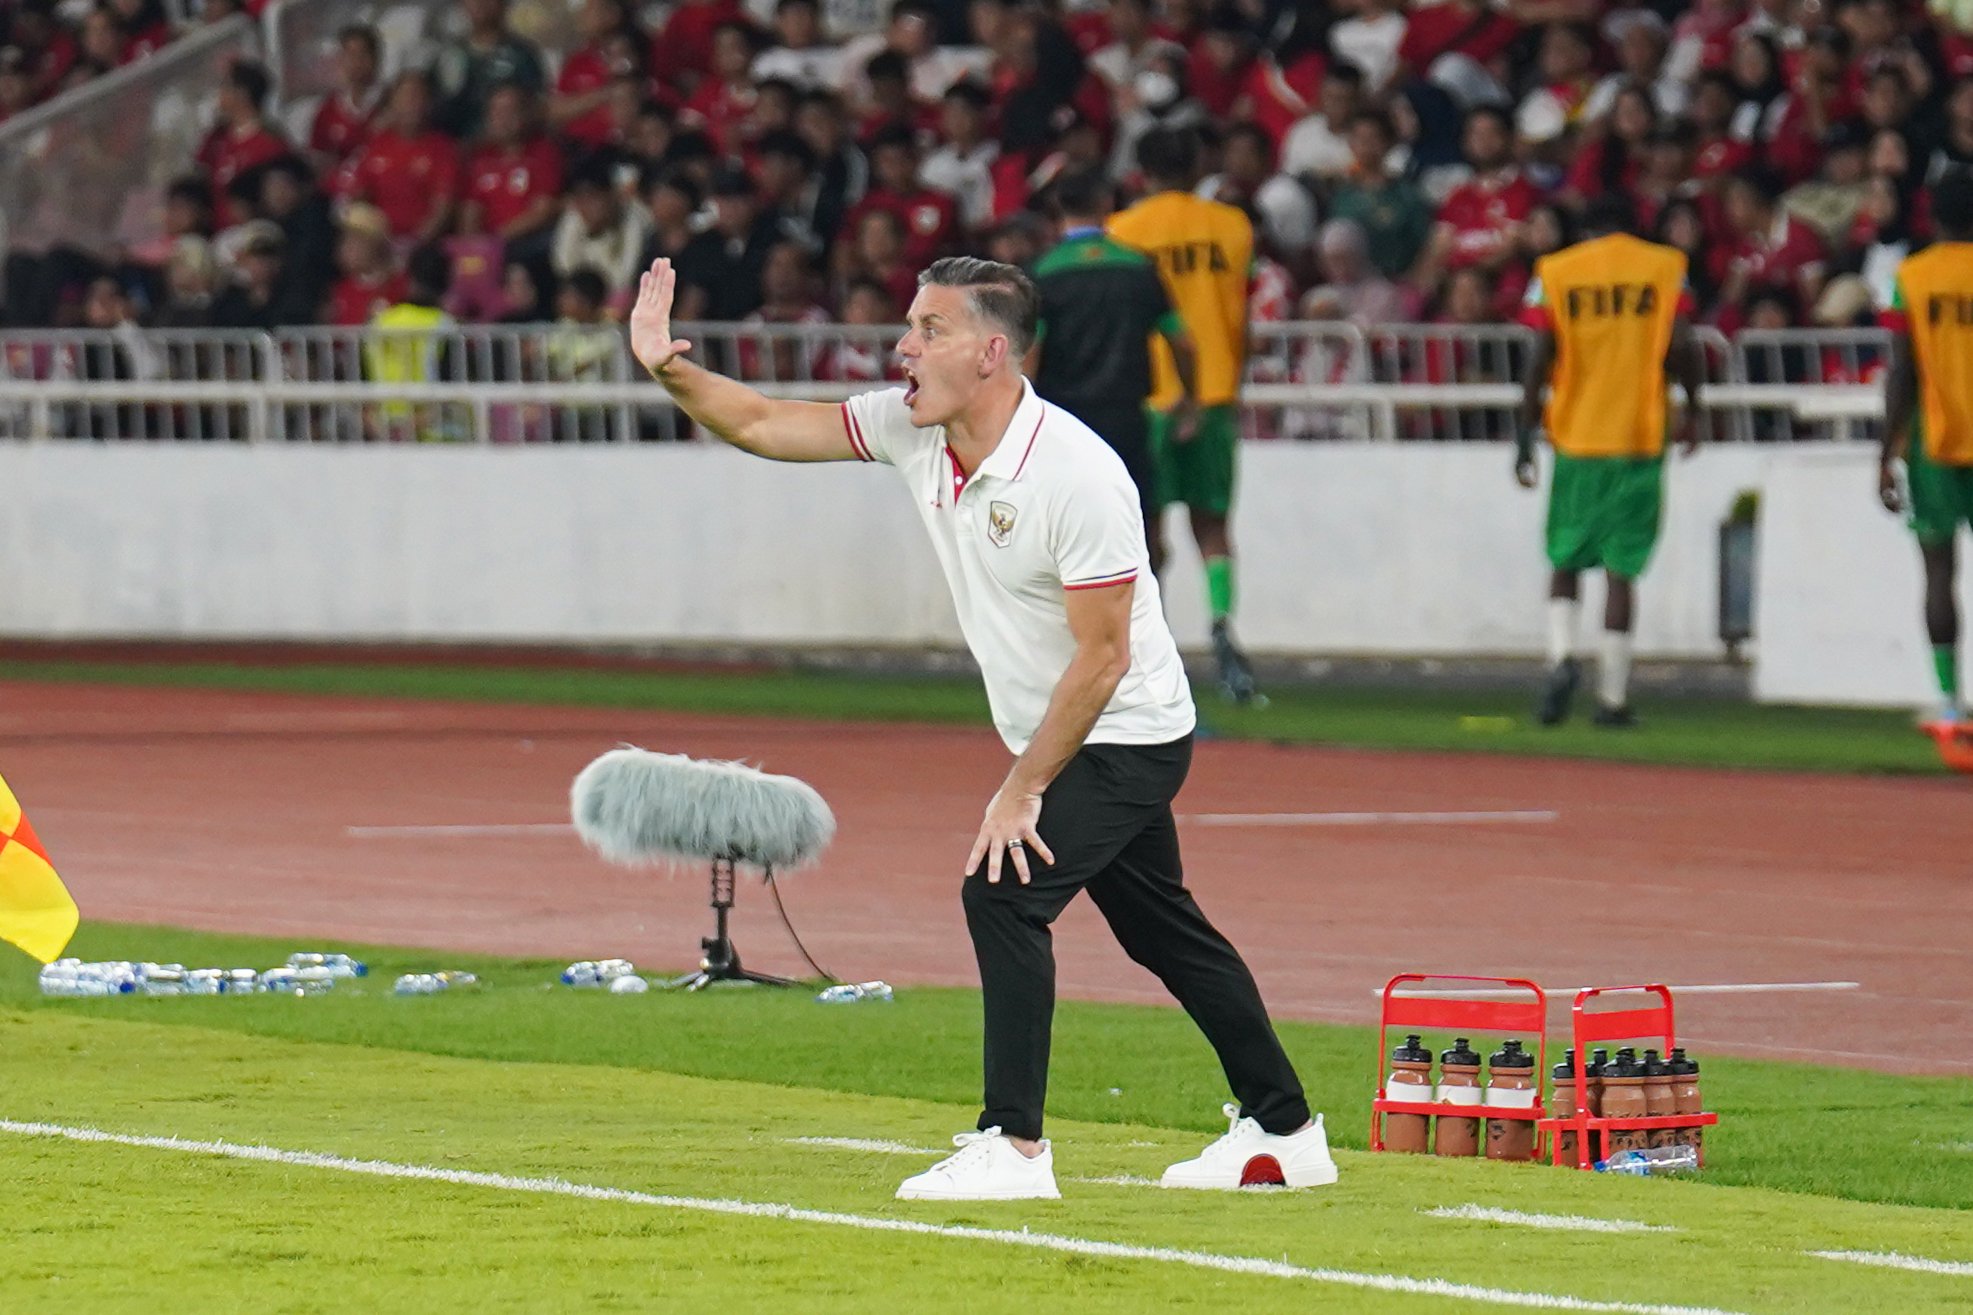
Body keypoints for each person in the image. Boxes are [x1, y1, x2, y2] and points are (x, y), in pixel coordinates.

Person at [627, 252, 1333, 1201]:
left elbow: (1103, 658)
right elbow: (759, 422)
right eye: (910, 326)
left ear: (991, 352)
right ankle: (1284, 1130)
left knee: (1002, 891)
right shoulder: (916, 427)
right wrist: (669, 367)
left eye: (929, 329)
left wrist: (1022, 789)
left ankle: (1014, 1146)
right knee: (1163, 932)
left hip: (1127, 730)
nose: (902, 345)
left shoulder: (1078, 474)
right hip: (1074, 726)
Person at [1515, 197, 1706, 727]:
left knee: (1566, 558)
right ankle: (1613, 699)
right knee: (1622, 571)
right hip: (1638, 435)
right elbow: (1683, 344)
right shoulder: (1667, 269)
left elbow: (1538, 352)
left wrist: (1525, 430)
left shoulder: (1554, 272)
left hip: (1576, 434)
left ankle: (1560, 660)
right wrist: (1694, 405)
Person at [1108, 127, 1263, 704]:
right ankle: (1223, 631)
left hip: (1147, 396)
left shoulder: (1124, 232)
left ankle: (1155, 650)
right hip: (1215, 391)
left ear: (1141, 171)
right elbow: (1240, 314)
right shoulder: (1233, 227)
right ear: (1198, 163)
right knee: (1213, 525)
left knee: (1145, 533)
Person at [1030, 167, 1198, 565]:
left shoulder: (1043, 271)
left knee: (1065, 523)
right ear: (1106, 205)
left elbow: (1029, 352)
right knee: (1136, 519)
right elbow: (1183, 341)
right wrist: (1190, 397)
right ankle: (1145, 616)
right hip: (1125, 414)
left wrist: (1019, 414)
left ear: (1057, 208)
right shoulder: (1137, 267)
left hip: (1063, 418)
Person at [1880, 169, 1973, 724]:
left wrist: (1884, 452)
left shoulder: (1913, 278)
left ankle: (1948, 700)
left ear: (1933, 217)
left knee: (1939, 572)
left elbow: (1902, 370)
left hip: (1935, 445)